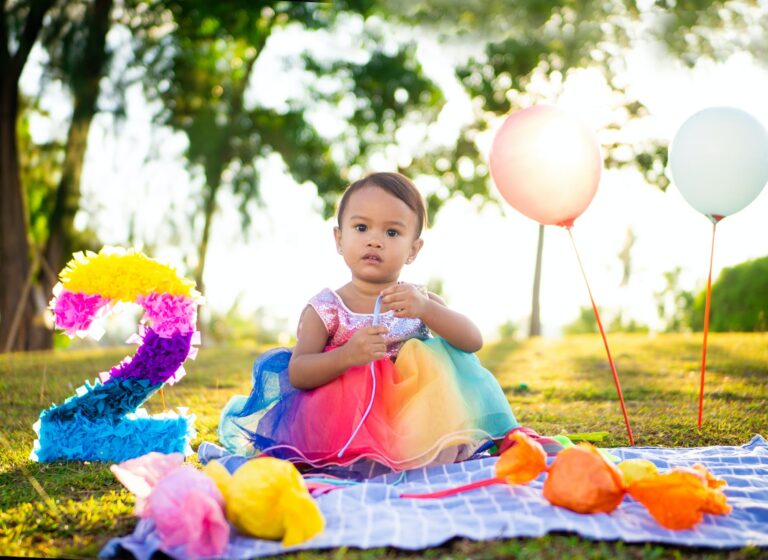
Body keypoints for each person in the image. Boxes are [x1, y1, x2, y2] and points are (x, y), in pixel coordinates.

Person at [218, 172, 518, 472]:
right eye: (361, 228)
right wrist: (347, 355)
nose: (374, 241)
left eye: (392, 233)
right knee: (350, 449)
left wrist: (426, 309)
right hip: (345, 421)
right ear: (339, 238)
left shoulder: (417, 299)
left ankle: (421, 456)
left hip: (410, 421)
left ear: (413, 250)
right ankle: (363, 460)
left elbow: (471, 341)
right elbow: (298, 372)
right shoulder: (327, 308)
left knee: (432, 365)